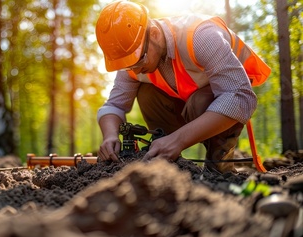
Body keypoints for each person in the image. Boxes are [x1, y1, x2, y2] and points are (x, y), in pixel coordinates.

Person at [95, 0, 271, 173]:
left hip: (219, 98)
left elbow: (240, 96)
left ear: (154, 34)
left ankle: (220, 164)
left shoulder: (201, 36)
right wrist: (110, 135)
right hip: (185, 103)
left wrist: (178, 140)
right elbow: (113, 105)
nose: (136, 69)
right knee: (146, 93)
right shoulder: (133, 58)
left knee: (201, 100)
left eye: (138, 60)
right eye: (128, 64)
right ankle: (168, 161)